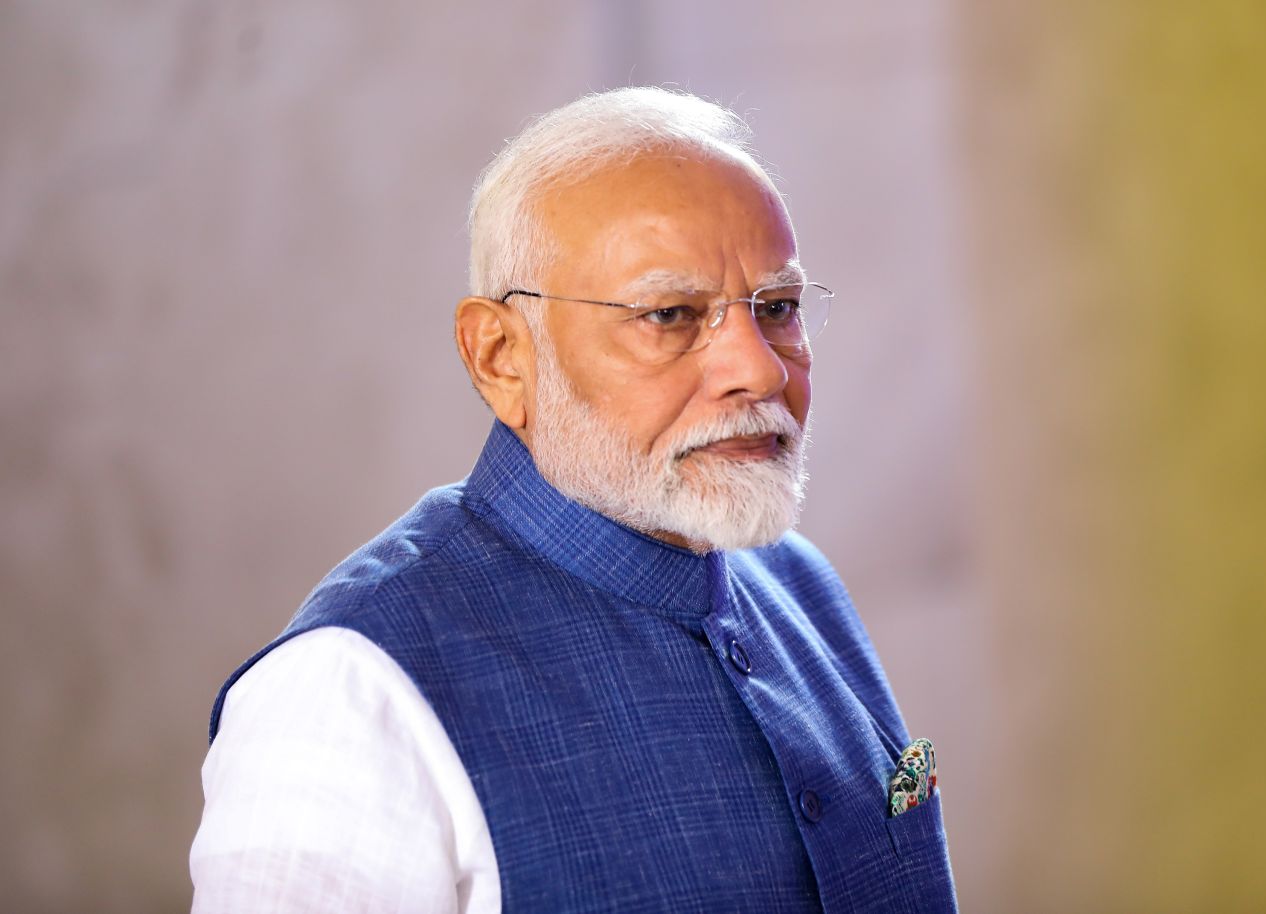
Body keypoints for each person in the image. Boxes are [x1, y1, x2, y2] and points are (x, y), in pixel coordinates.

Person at [189, 87, 958, 913]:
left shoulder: (797, 586)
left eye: (777, 309)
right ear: (500, 358)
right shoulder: (348, 695)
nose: (762, 370)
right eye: (670, 314)